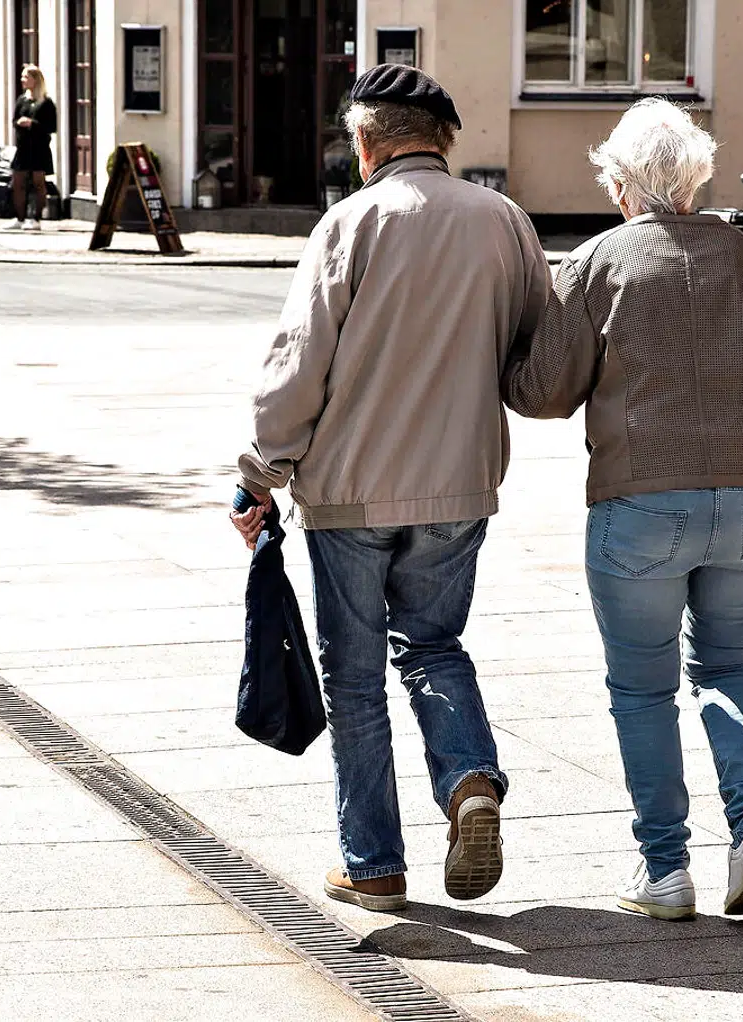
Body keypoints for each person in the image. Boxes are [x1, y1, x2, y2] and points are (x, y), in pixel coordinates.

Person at [502, 98, 743, 921]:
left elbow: (545, 391)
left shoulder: (598, 261)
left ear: (621, 183)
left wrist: (512, 348)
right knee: (729, 667)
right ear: (695, 180)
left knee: (643, 689)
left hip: (642, 498)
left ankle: (665, 870)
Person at [228, 64, 550, 913]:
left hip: (350, 493)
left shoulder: (350, 222)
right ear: (445, 140)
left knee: (357, 678)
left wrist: (260, 474)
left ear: (365, 144)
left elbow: (298, 364)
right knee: (435, 646)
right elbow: (536, 365)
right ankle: (470, 779)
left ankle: (372, 863)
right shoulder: (506, 222)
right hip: (459, 488)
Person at [5, 65, 56, 231]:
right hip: (23, 147)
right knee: (18, 181)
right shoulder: (22, 100)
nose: (22, 80)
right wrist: (19, 124)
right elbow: (14, 120)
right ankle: (19, 218)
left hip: (39, 147)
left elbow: (51, 126)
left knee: (38, 183)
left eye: (26, 77)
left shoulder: (46, 103)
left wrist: (32, 124)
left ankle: (36, 217)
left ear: (35, 79)